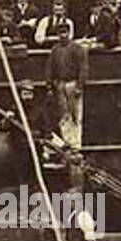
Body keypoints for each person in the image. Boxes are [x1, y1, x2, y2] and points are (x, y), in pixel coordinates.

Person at [45, 22, 87, 150]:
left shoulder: (77, 48)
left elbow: (83, 68)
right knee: (63, 115)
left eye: (65, 33)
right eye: (60, 33)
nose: (63, 35)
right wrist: (49, 86)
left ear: (69, 33)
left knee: (76, 115)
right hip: (60, 85)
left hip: (73, 84)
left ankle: (76, 144)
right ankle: (67, 141)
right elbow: (49, 68)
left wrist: (80, 86)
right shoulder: (55, 50)